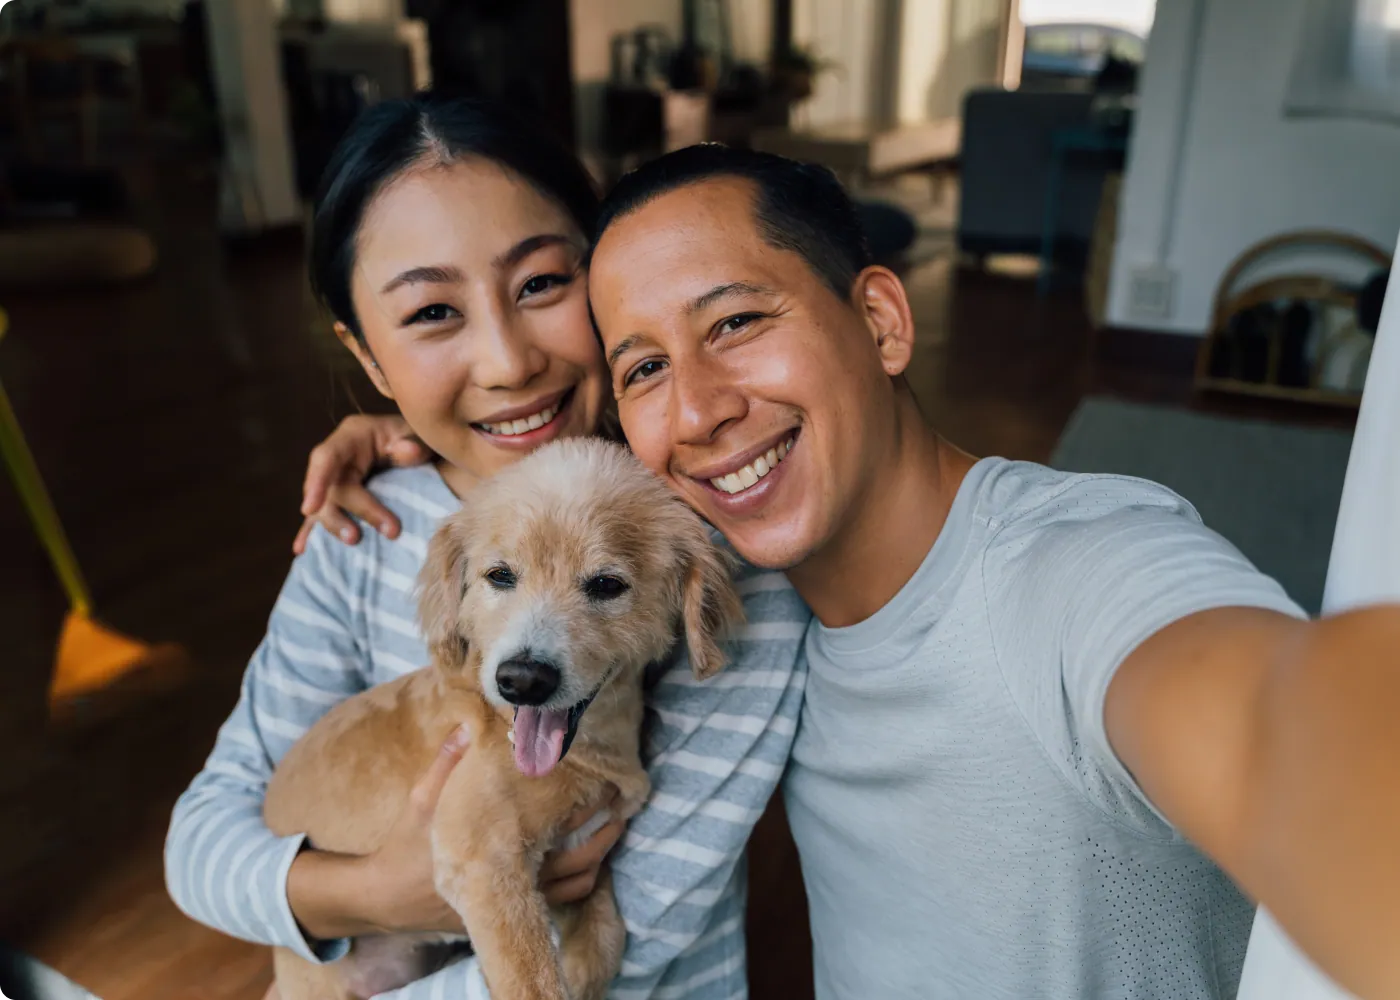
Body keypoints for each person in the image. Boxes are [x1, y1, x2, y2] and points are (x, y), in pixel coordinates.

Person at [314, 144, 1400, 999]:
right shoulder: (712, 574)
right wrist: (411, 434)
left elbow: (1254, 707)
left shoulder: (1074, 564)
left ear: (879, 318)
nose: (697, 409)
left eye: (736, 321)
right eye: (644, 366)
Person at [163, 98, 809, 1000]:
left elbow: (648, 923)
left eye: (543, 284)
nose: (508, 361)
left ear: (609, 279)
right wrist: (381, 895)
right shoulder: (358, 537)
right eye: (432, 310)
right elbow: (199, 849)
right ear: (372, 361)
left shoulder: (714, 539)